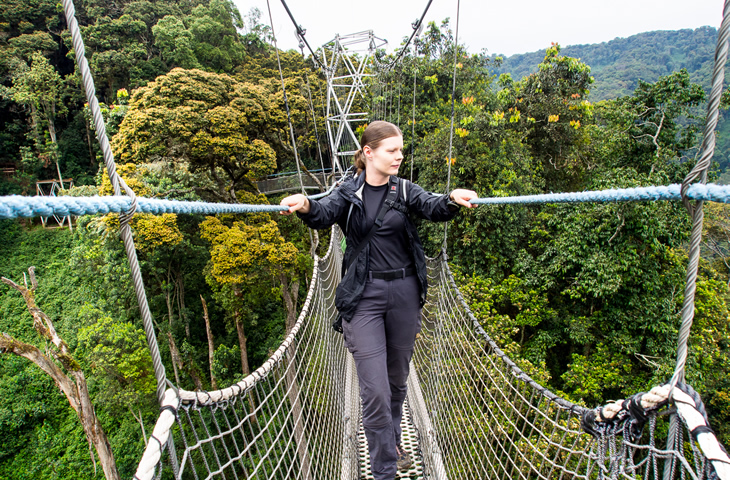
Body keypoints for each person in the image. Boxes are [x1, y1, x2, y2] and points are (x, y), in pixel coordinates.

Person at [280, 121, 476, 479]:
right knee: (375, 391)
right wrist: (306, 204)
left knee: (397, 382)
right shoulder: (347, 192)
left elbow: (431, 206)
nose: (400, 156)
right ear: (368, 153)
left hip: (404, 295)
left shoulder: (404, 190)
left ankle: (393, 440)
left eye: (401, 150)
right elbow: (324, 213)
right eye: (392, 150)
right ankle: (385, 470)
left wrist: (451, 199)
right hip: (363, 298)